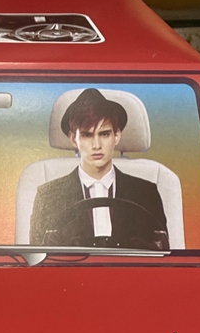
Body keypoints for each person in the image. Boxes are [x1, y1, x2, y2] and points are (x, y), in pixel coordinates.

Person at [29, 88, 168, 250]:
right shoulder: (48, 197)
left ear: (117, 135)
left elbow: (163, 255)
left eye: (104, 134)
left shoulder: (146, 193)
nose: (96, 145)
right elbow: (37, 258)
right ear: (73, 139)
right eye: (87, 135)